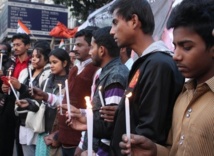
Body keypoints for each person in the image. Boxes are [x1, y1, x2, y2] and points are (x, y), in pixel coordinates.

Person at [119, 0, 214, 156]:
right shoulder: (183, 96)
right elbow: (174, 149)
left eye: (187, 47)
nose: (176, 56)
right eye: (175, 46)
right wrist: (155, 150)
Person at [67, 26, 129, 155]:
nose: (90, 52)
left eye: (92, 47)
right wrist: (81, 113)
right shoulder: (106, 73)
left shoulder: (115, 76)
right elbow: (99, 114)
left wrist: (98, 153)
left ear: (101, 50)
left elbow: (110, 127)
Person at [58, 27, 99, 156]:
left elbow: (95, 111)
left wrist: (82, 144)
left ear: (92, 46)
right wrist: (46, 97)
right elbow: (66, 100)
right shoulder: (75, 69)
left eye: (79, 45)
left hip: (80, 142)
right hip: (65, 137)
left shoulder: (95, 70)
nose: (75, 49)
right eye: (75, 45)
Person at [10, 40, 51, 156]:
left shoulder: (49, 74)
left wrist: (21, 87)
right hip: (23, 121)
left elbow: (41, 96)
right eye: (32, 56)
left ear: (46, 58)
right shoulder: (25, 72)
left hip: (38, 122)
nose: (33, 59)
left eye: (38, 57)